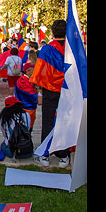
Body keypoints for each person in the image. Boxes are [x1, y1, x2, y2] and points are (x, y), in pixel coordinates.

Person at [29, 19, 69, 168]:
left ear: (52, 32)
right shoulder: (72, 49)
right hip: (67, 91)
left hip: (50, 90)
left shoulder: (46, 49)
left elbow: (40, 70)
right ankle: (63, 155)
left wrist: (38, 87)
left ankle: (45, 154)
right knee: (65, 121)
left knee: (47, 120)